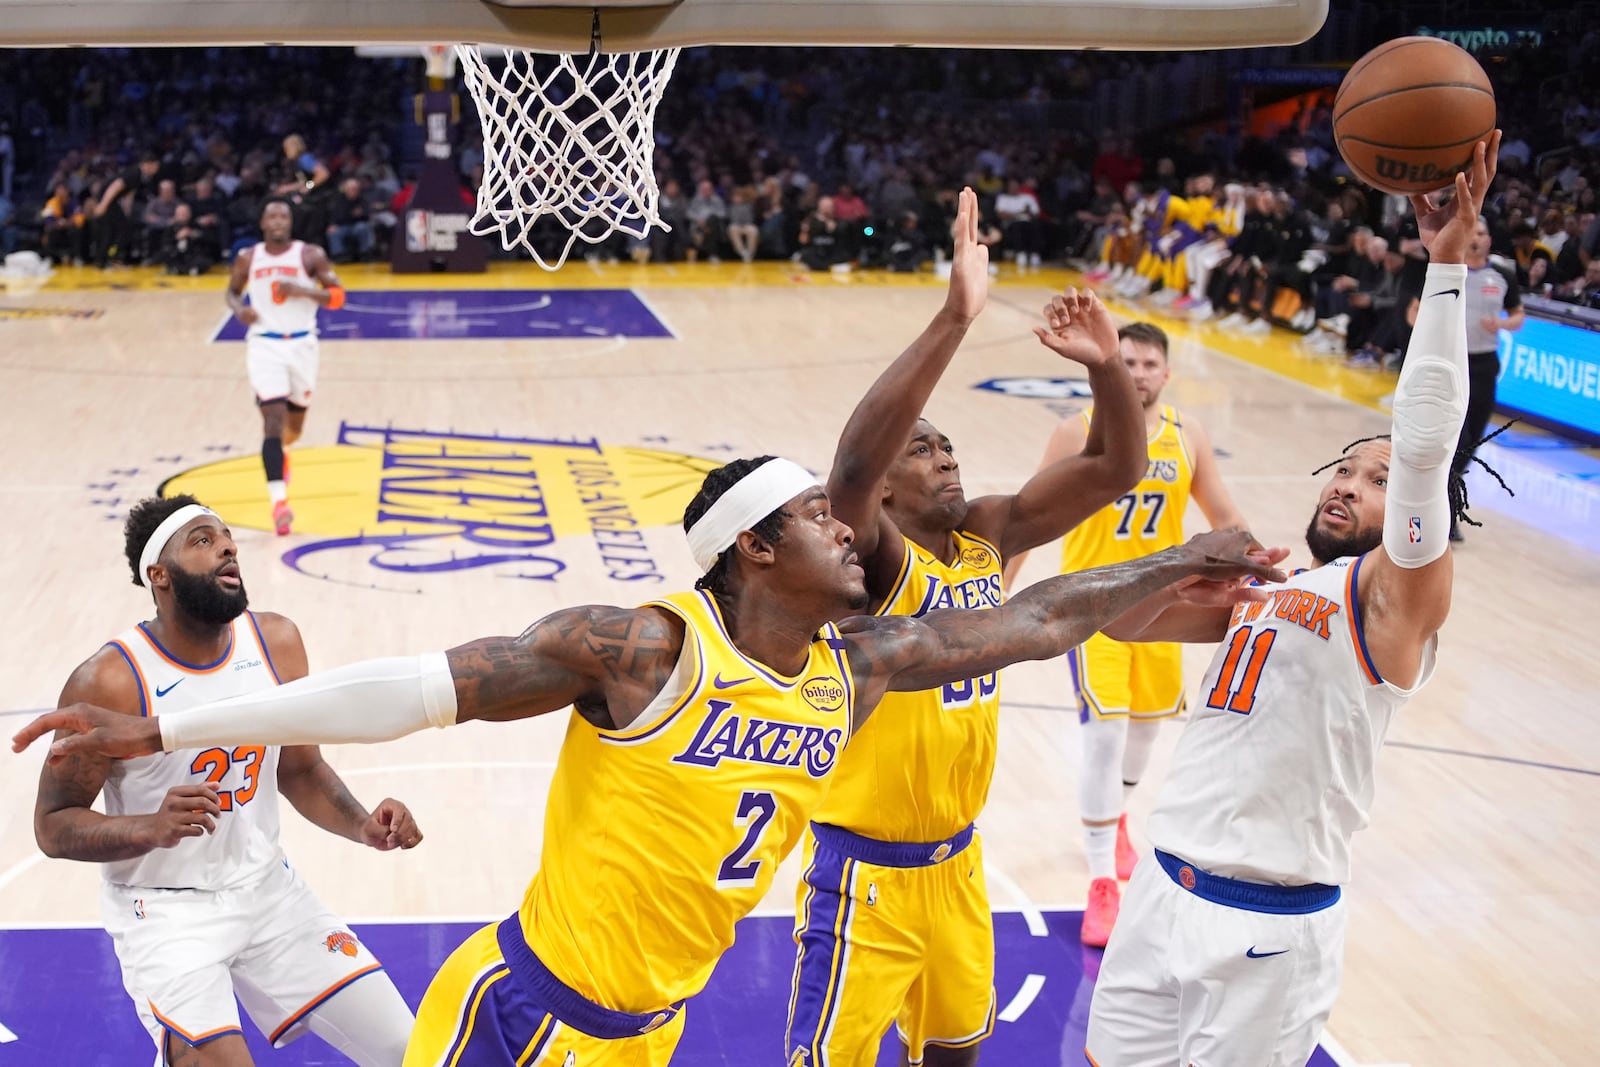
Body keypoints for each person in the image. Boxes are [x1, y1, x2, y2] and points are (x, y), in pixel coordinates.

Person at [15, 464, 1281, 1067]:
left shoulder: (859, 664)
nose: (851, 529)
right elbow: (411, 689)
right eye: (817, 518)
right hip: (522, 1010)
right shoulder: (636, 648)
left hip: (646, 1029)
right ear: (751, 551)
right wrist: (171, 727)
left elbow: (1040, 616)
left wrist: (1177, 559)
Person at [1081, 133, 1500, 1067]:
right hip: (1162, 889)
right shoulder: (1268, 588)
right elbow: (1110, 620)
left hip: (1269, 928)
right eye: (1344, 469)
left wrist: (1442, 274)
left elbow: (1427, 443)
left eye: (1377, 478)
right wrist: (1178, 569)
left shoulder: (1390, 600)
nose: (1349, 483)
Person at [787, 187, 1146, 1067]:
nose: (944, 457)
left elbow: (1116, 466)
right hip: (861, 871)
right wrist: (955, 317)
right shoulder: (867, 560)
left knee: (955, 1054)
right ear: (887, 492)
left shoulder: (988, 533)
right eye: (924, 449)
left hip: (957, 863)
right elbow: (853, 461)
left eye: (949, 448)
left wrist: (1105, 367)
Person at [31, 495, 421, 1067]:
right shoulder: (110, 681)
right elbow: (52, 826)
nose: (227, 546)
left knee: (409, 1050)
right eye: (202, 540)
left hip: (269, 893)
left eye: (226, 537)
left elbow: (300, 768)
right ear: (158, 576)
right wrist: (149, 827)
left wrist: (363, 824)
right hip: (164, 914)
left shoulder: (277, 644)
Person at [1004, 320, 1247, 947]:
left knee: (1145, 731)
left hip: (1165, 604)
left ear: (1165, 373)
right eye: (1128, 361)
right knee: (1106, 734)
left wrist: (1258, 568)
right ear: (1107, 366)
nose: (1137, 373)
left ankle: (1115, 821)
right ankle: (1099, 882)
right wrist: (992, 591)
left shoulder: (1187, 434)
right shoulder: (1077, 430)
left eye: (1147, 364)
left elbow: (1224, 517)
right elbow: (1026, 518)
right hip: (1093, 605)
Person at [225, 198, 345, 537]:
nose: (278, 220)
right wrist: (239, 310)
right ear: (263, 222)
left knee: (294, 428)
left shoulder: (310, 255)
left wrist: (301, 290)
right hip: (264, 344)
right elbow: (232, 293)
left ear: (290, 222)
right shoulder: (248, 258)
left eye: (284, 215)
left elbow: (338, 297)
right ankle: (279, 503)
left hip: (303, 344)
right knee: (272, 422)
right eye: (272, 215)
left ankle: (286, 452)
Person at [1452, 213, 1525, 542]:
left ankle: (1450, 503)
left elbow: (1518, 315)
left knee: (1473, 441)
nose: (1477, 237)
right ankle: (1445, 512)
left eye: (1482, 232)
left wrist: (1503, 325)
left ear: (1489, 239)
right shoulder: (1450, 272)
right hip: (1453, 362)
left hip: (1484, 364)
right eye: (1473, 232)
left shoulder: (1503, 275)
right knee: (1456, 438)